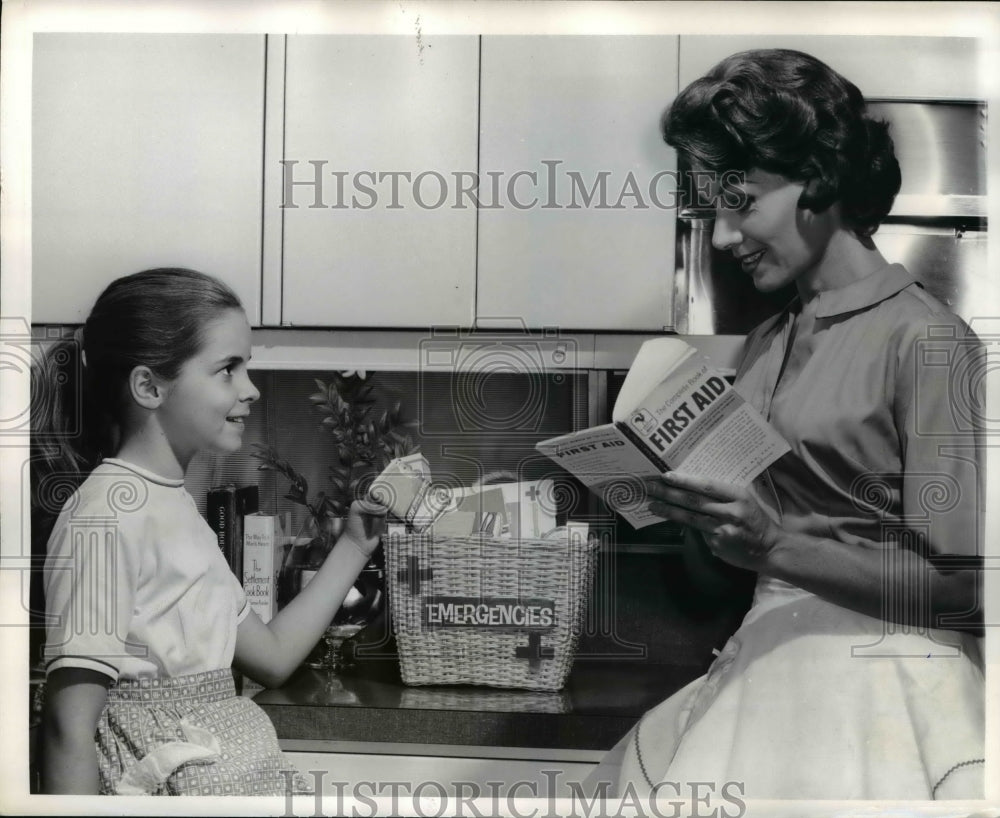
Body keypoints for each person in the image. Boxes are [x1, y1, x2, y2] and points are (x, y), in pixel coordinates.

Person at [592, 49, 986, 801]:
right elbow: (737, 573)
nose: (719, 237)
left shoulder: (928, 341)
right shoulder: (768, 342)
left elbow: (965, 589)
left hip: (886, 691)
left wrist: (775, 542)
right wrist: (693, 518)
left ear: (819, 180)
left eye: (738, 203)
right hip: (768, 666)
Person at [35, 268, 386, 795]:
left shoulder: (175, 506)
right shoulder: (105, 516)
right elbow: (68, 727)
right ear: (149, 386)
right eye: (228, 369)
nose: (251, 389)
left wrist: (357, 543)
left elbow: (271, 657)